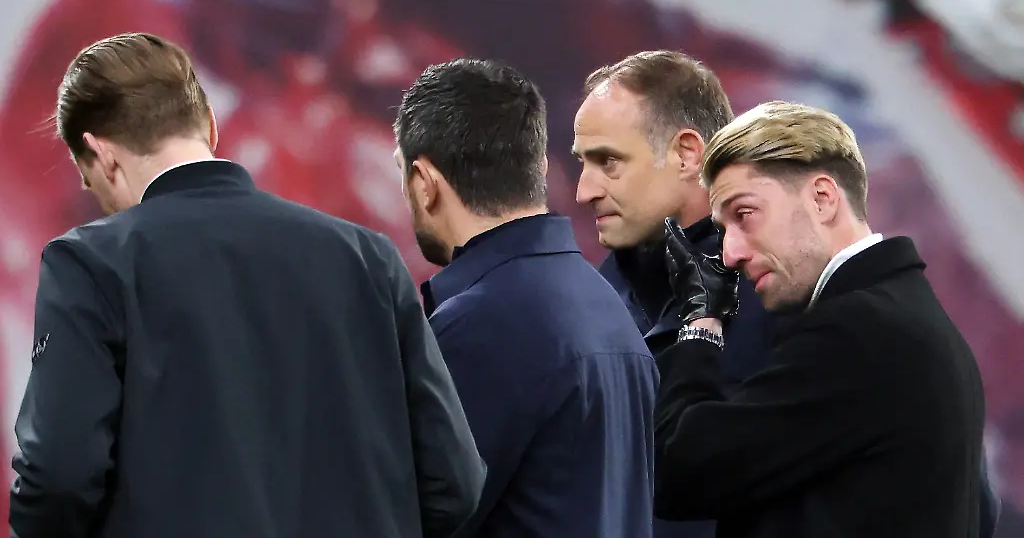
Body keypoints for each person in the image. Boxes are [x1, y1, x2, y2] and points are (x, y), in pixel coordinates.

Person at [10, 33, 485, 538]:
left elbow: (60, 477)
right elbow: (455, 482)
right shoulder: (369, 258)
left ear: (100, 155)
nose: (102, 202)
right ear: (209, 126)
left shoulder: (89, 263)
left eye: (91, 183)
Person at [654, 100, 987, 537]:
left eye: (744, 214)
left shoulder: (856, 333)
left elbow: (679, 470)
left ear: (823, 198)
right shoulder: (910, 317)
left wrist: (701, 323)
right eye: (723, 228)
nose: (730, 254)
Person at [393, 58, 659, 538]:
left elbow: (409, 519)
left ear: (424, 183)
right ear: (538, 168)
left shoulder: (480, 324)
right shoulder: (607, 305)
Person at [573, 50, 775, 538]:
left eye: (609, 162)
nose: (584, 190)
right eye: (584, 163)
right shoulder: (589, 303)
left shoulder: (785, 298)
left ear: (687, 154)